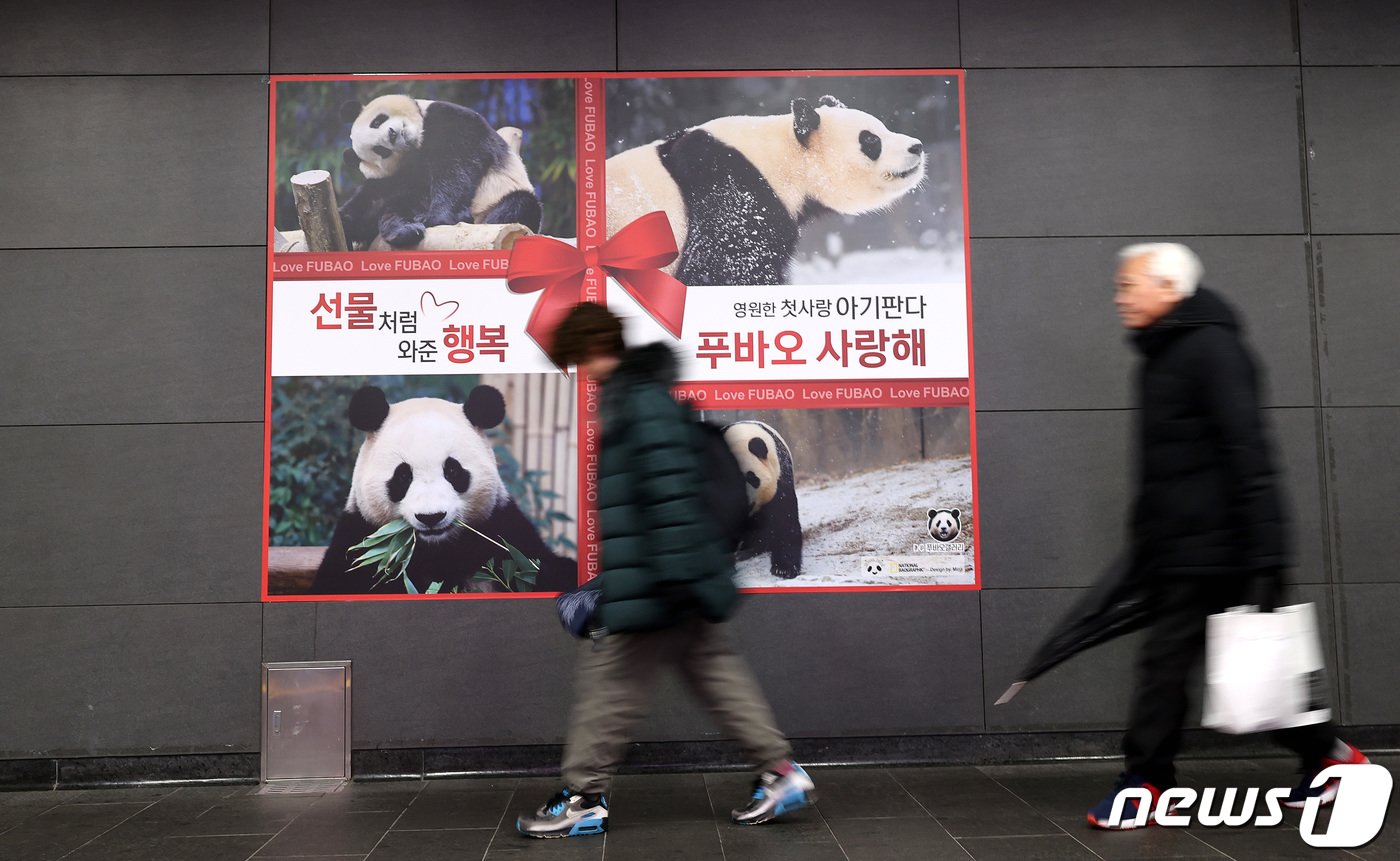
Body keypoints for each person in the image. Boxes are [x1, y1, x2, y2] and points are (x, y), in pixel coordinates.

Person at [1088, 243, 1367, 830]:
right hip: (1184, 550)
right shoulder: (1162, 355)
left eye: (1129, 286)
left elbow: (1250, 451)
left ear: (1169, 288)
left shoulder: (1212, 349)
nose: (1119, 297)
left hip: (1226, 551)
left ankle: (1146, 782)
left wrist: (1268, 557)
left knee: (1191, 668)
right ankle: (1329, 757)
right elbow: (1167, 470)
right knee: (1226, 669)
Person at [516, 302, 816, 839]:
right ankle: (780, 772)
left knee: (609, 688)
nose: (579, 372)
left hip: (659, 584)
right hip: (677, 579)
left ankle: (584, 798)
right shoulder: (642, 397)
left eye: (578, 359)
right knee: (716, 675)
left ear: (594, 348)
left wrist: (658, 581)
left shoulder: (640, 404)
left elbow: (670, 496)